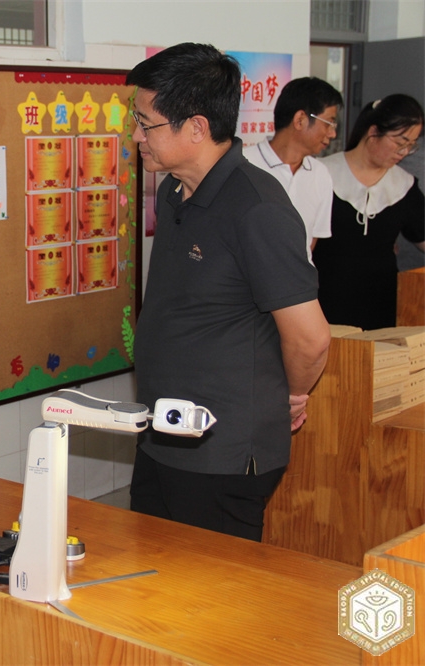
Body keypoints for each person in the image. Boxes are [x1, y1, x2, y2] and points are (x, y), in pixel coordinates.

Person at [126, 43, 331, 541]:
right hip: (162, 434)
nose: (136, 136)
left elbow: (310, 339)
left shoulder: (257, 209)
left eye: (146, 124)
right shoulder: (174, 189)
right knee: (150, 571)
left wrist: (291, 395)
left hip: (221, 453)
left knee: (210, 587)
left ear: (196, 128)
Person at [312, 94, 425, 331]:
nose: (404, 152)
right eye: (400, 142)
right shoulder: (321, 174)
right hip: (324, 301)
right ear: (373, 132)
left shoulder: (404, 185)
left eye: (411, 145)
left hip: (382, 306)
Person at [243, 77, 343, 262]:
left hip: (296, 279)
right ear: (300, 120)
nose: (332, 133)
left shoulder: (320, 174)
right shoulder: (242, 164)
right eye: (328, 123)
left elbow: (309, 245)